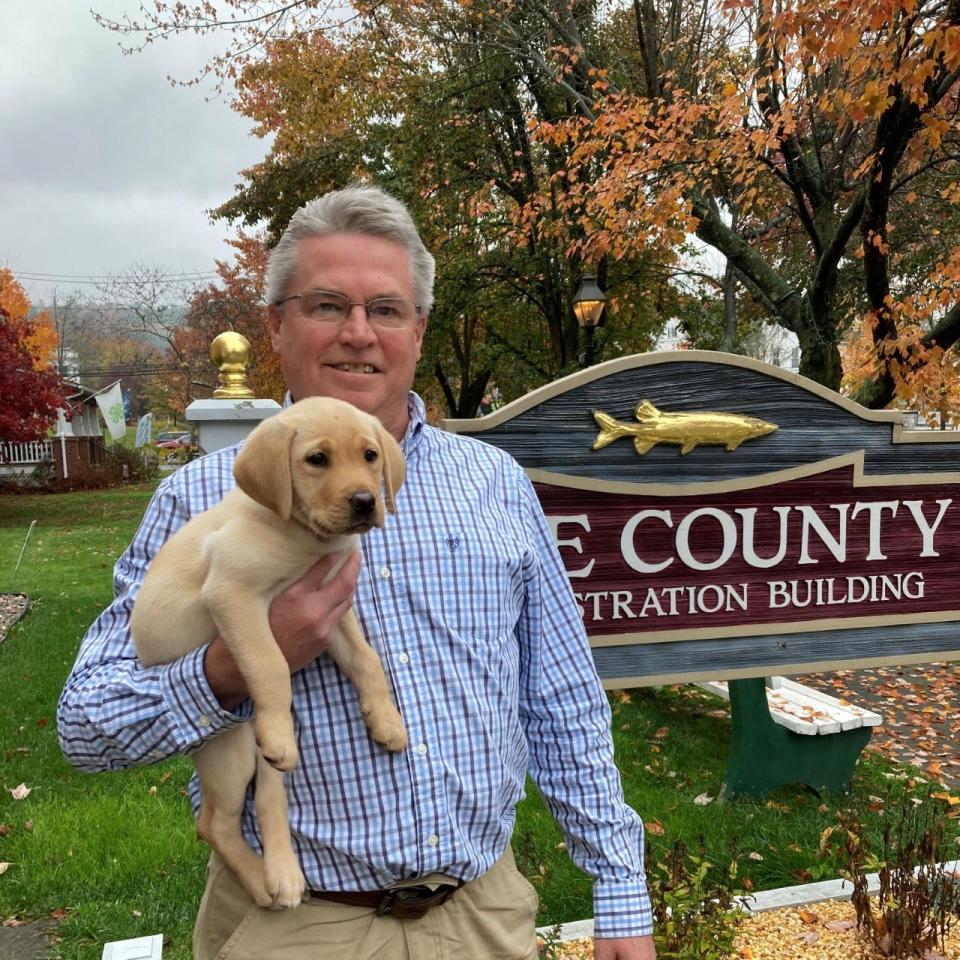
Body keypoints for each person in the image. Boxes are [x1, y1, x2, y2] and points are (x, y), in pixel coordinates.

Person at [58, 186, 656, 960]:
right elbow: (85, 725)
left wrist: (617, 889)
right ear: (276, 323)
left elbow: (562, 696)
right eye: (326, 305)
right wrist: (229, 669)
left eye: (386, 309)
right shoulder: (201, 500)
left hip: (483, 918)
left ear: (419, 329)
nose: (358, 335)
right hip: (292, 925)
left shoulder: (494, 483)